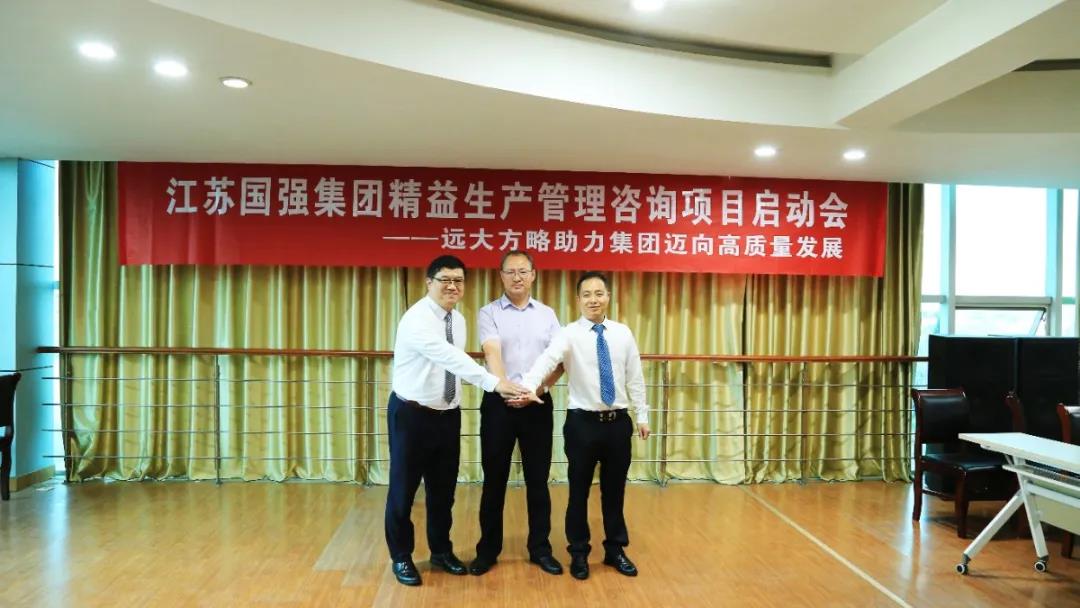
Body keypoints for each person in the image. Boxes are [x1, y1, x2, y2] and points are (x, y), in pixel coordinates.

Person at [384, 255, 528, 587]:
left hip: (447, 416)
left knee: (443, 490)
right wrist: (495, 383)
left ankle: (441, 551)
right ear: (429, 282)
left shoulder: (458, 320)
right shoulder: (417, 319)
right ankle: (401, 556)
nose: (452, 286)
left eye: (458, 281)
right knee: (403, 491)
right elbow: (450, 358)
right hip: (412, 414)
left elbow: (453, 364)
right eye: (445, 280)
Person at [517, 271, 651, 581]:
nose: (593, 299)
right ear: (578, 300)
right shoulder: (568, 334)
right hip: (582, 425)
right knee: (578, 492)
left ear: (608, 297)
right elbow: (547, 360)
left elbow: (635, 376)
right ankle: (578, 552)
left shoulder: (622, 333)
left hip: (618, 423)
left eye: (599, 293)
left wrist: (642, 415)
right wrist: (529, 386)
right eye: (587, 294)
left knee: (614, 491)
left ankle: (615, 549)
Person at [469, 251, 565, 577]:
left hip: (537, 404)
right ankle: (487, 551)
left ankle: (541, 549)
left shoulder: (548, 315)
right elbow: (491, 352)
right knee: (494, 480)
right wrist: (507, 388)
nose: (517, 277)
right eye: (510, 272)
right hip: (499, 403)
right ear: (501, 276)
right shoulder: (489, 312)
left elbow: (559, 360)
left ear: (534, 275)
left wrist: (536, 390)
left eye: (523, 271)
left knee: (538, 480)